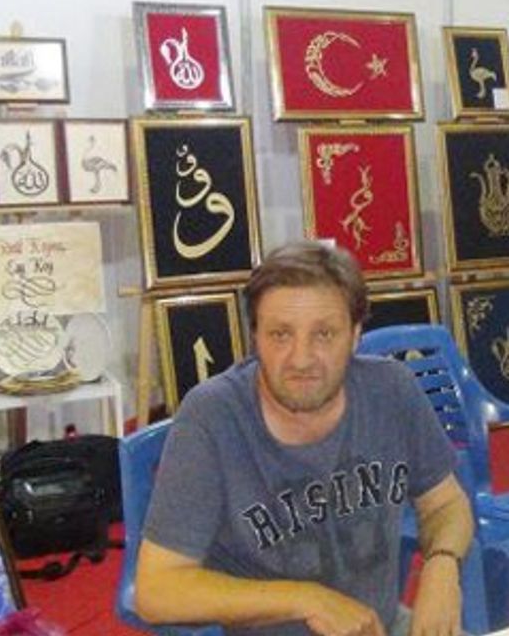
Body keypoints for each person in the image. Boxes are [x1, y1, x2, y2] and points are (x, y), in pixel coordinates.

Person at [135, 241, 473, 636]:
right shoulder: (212, 417)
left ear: (356, 335)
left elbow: (446, 503)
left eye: (324, 334)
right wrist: (308, 599)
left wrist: (442, 565)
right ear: (255, 337)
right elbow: (156, 591)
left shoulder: (391, 389)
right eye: (280, 334)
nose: (301, 359)